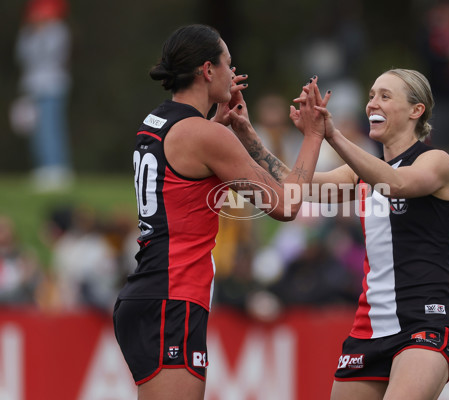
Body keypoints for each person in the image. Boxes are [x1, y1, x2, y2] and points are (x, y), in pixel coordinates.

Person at [112, 24, 325, 400]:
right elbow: (288, 204)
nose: (233, 72)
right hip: (172, 297)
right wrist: (312, 136)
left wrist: (226, 128)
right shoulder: (206, 137)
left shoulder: (158, 122)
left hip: (150, 290)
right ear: (207, 71)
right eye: (228, 63)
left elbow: (186, 170)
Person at [234, 69, 449, 399]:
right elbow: (292, 183)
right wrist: (247, 134)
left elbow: (396, 185)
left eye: (385, 96)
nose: (373, 104)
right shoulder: (360, 173)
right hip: (369, 325)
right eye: (371, 96)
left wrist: (333, 136)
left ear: (417, 110)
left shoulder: (436, 162)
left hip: (425, 320)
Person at [14, 0, 73, 191]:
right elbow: (22, 55)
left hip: (52, 86)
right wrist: (33, 32)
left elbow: (50, 54)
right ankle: (44, 168)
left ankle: (56, 169)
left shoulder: (58, 30)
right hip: (32, 88)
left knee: (51, 128)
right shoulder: (27, 32)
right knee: (37, 131)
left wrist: (41, 33)